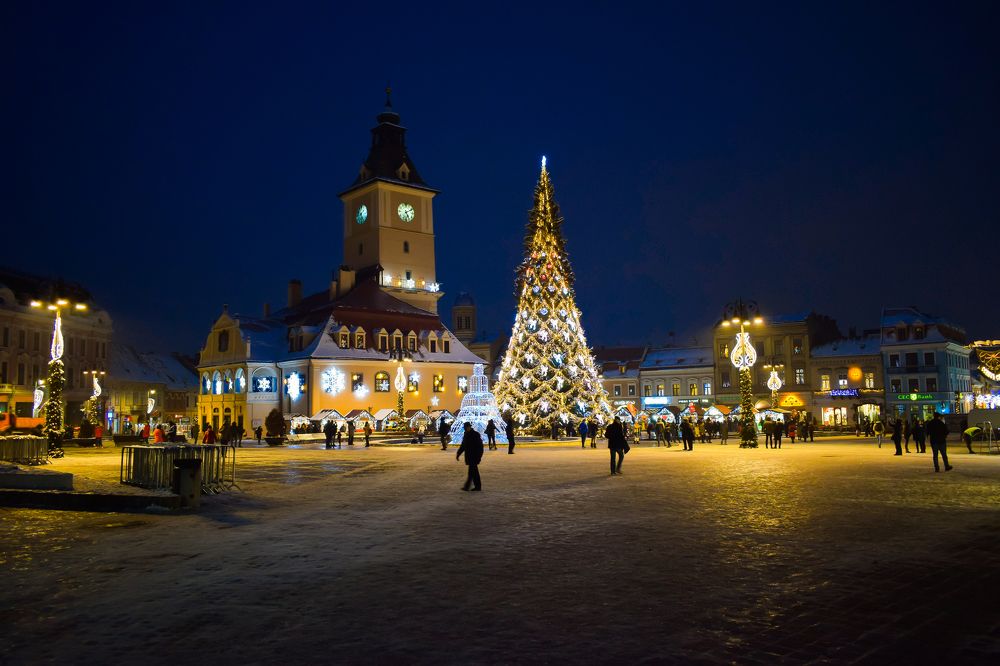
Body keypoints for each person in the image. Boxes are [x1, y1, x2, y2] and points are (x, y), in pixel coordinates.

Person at [456, 422, 484, 491]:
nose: (465, 429)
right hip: (469, 456)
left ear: (469, 427)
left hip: (474, 456)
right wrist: (458, 453)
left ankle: (469, 486)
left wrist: (479, 456)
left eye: (466, 427)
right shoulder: (466, 434)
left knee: (472, 472)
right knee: (473, 472)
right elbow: (463, 445)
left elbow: (480, 447)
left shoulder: (475, 434)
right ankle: (476, 486)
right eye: (464, 428)